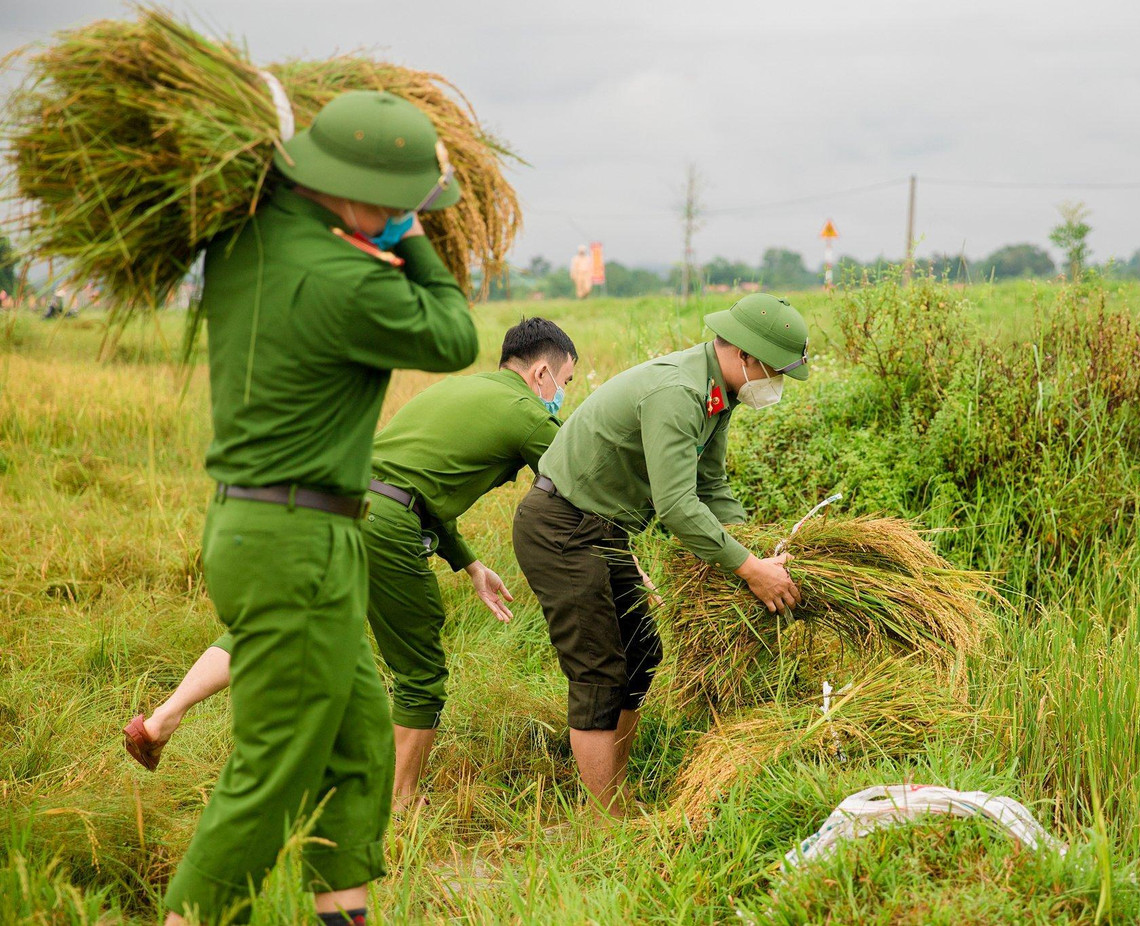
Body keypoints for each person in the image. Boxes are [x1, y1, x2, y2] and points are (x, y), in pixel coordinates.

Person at [152, 90, 478, 926]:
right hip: (295, 538)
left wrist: (389, 224)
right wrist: (414, 242)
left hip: (275, 527)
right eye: (402, 207)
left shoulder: (243, 242)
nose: (407, 218)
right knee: (275, 766)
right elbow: (453, 336)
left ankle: (345, 909)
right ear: (360, 194)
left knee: (360, 736)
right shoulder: (345, 279)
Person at [126, 318, 579, 809]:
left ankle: (160, 719)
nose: (561, 397)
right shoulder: (527, 414)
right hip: (385, 524)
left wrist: (469, 565)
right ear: (540, 374)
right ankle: (402, 801)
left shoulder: (454, 391)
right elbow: (582, 483)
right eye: (565, 384)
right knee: (421, 672)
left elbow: (405, 480)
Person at [512, 292, 810, 819]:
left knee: (643, 652)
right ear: (744, 354)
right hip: (562, 527)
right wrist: (747, 568)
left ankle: (615, 789)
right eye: (776, 370)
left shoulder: (717, 395)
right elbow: (675, 505)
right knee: (599, 669)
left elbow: (710, 485)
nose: (778, 384)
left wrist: (754, 547)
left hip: (603, 530)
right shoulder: (679, 391)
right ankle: (606, 819)